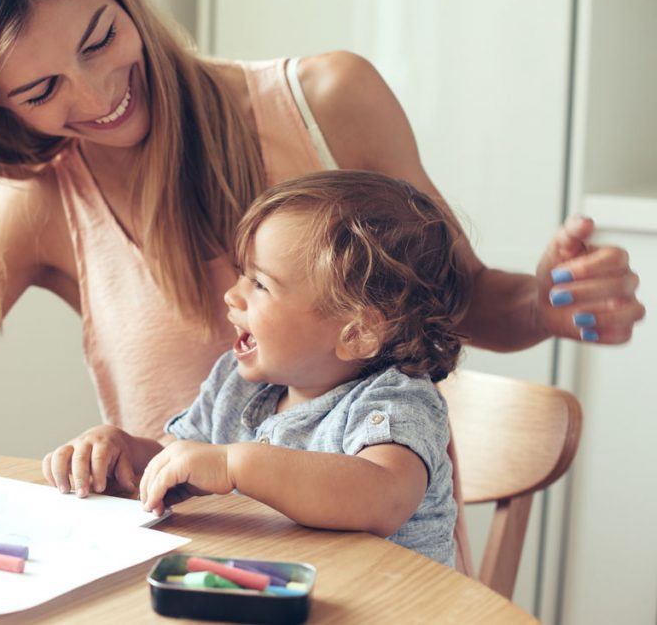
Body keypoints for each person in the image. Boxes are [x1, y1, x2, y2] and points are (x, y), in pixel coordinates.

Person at [0, 0, 644, 574]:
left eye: (99, 38)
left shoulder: (328, 102)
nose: (97, 95)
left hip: (377, 590)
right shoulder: (39, 204)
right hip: (196, 587)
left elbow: (461, 298)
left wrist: (545, 302)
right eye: (42, 89)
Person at [43, 171, 469, 566]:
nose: (232, 295)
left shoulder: (396, 401)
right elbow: (183, 460)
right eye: (241, 274)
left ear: (356, 333)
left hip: (392, 605)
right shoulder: (236, 384)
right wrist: (125, 453)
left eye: (260, 284)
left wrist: (236, 465)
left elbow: (383, 498)